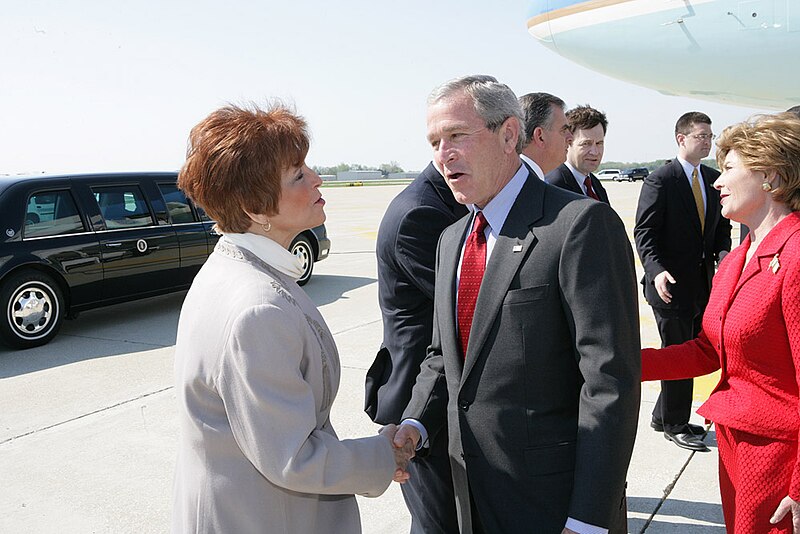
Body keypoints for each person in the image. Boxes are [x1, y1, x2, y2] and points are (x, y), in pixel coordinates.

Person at [394, 75, 641, 534]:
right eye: (434, 142)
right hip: (472, 494)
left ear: (509, 134)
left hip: (553, 505)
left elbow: (609, 382)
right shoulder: (452, 240)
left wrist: (589, 518)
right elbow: (442, 359)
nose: (443, 154)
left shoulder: (578, 226)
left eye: (457, 136)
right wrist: (415, 423)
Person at [171, 103, 412, 533]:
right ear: (255, 207)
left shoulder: (234, 268)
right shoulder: (256, 309)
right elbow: (292, 457)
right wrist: (380, 455)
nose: (318, 178)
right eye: (298, 174)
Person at [641, 112, 800, 533]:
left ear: (770, 175)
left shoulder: (796, 256)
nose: (716, 181)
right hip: (738, 446)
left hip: (781, 458)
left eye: (729, 168)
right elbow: (710, 349)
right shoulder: (739, 257)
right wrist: (625, 364)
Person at [364, 160, 466, 533]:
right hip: (423, 396)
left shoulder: (448, 201)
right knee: (439, 522)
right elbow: (467, 307)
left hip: (440, 392)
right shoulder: (421, 213)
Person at [634, 111, 732, 452]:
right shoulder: (661, 179)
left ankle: (663, 414)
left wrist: (722, 251)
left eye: (709, 135)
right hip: (668, 284)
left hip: (702, 284)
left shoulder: (712, 178)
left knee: (688, 348)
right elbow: (645, 232)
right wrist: (655, 268)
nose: (707, 141)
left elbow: (721, 228)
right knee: (678, 352)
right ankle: (676, 423)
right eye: (701, 135)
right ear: (682, 139)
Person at [545, 105, 611, 205]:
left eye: (599, 143)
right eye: (586, 144)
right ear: (567, 142)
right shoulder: (553, 185)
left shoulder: (595, 184)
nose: (595, 152)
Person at [518, 92, 574, 177]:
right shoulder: (523, 182)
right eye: (563, 130)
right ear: (540, 136)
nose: (571, 138)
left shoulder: (518, 177)